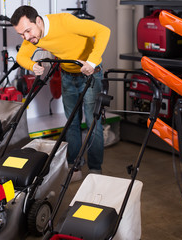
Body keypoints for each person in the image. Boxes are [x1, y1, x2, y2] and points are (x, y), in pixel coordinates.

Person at [10, 5, 110, 181]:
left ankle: (96, 170)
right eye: (21, 35)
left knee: (93, 122)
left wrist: (92, 61)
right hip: (68, 77)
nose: (26, 37)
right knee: (71, 123)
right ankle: (74, 167)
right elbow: (21, 57)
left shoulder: (65, 22)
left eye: (27, 31)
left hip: (90, 74)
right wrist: (32, 65)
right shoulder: (33, 36)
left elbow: (103, 31)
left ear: (38, 21)